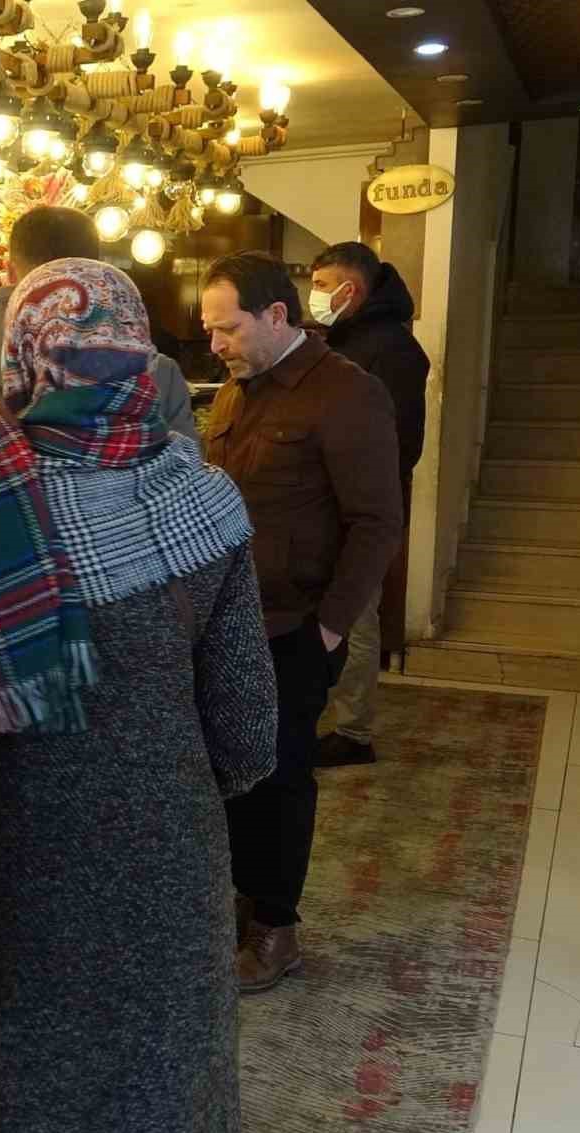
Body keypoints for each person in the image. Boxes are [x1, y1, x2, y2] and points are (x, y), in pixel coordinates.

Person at [0, 259, 277, 1133]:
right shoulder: (204, 501)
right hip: (167, 859)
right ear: (138, 354)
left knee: (12, 1089)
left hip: (5, 867)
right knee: (166, 1087)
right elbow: (249, 734)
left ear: (23, 355)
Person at [200, 251, 404, 993]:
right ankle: (243, 900)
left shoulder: (347, 393)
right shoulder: (235, 391)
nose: (215, 344)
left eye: (227, 328)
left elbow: (377, 522)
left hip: (295, 627)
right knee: (234, 773)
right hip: (229, 621)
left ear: (276, 316)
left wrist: (330, 628)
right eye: (210, 329)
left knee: (281, 778)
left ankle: (276, 927)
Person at [0, 205, 196, 543]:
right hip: (125, 555)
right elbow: (186, 490)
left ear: (10, 271)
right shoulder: (158, 374)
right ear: (97, 268)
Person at [309, 242, 431, 767]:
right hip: (328, 504)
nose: (314, 296)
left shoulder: (392, 350)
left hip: (359, 511)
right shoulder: (346, 339)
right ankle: (323, 716)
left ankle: (353, 731)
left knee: (355, 617)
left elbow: (399, 444)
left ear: (350, 289)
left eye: (321, 285)